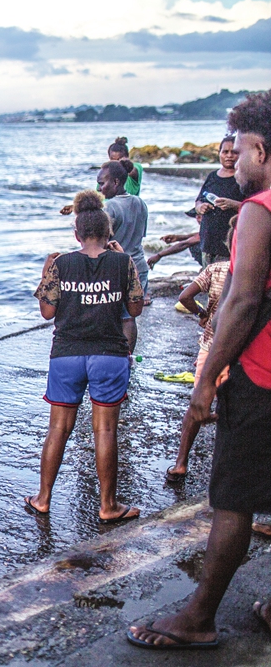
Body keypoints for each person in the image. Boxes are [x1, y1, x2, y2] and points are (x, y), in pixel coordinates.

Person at [128, 90, 271, 651]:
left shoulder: (260, 211)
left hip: (261, 375)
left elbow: (241, 301)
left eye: (238, 150)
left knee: (233, 500)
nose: (232, 161)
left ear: (261, 147)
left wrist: (208, 375)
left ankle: (198, 617)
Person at [25, 190, 144, 523]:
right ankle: (108, 506)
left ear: (76, 234)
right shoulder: (123, 262)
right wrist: (123, 263)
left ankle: (43, 498)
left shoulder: (61, 263)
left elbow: (47, 312)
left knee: (58, 429)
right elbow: (135, 308)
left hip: (67, 354)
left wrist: (45, 272)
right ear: (109, 235)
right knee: (105, 431)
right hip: (109, 354)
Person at [165, 219, 234, 483]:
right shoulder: (257, 270)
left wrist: (202, 313)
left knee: (198, 402)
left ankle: (181, 464)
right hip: (242, 351)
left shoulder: (215, 269)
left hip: (211, 345)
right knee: (236, 408)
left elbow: (184, 296)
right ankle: (229, 469)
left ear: (227, 244)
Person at [99, 160, 149, 351]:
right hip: (138, 265)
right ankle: (126, 358)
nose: (100, 189)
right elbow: (141, 234)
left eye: (103, 183)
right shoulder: (140, 203)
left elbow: (102, 241)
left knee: (113, 318)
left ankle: (112, 356)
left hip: (116, 268)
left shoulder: (109, 207)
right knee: (129, 318)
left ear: (116, 182)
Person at [195, 135, 243, 265]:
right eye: (225, 152)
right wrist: (200, 207)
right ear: (219, 154)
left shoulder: (244, 180)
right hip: (207, 244)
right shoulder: (212, 176)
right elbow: (198, 200)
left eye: (234, 152)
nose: (229, 155)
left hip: (230, 246)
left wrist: (232, 204)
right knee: (209, 283)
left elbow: (254, 208)